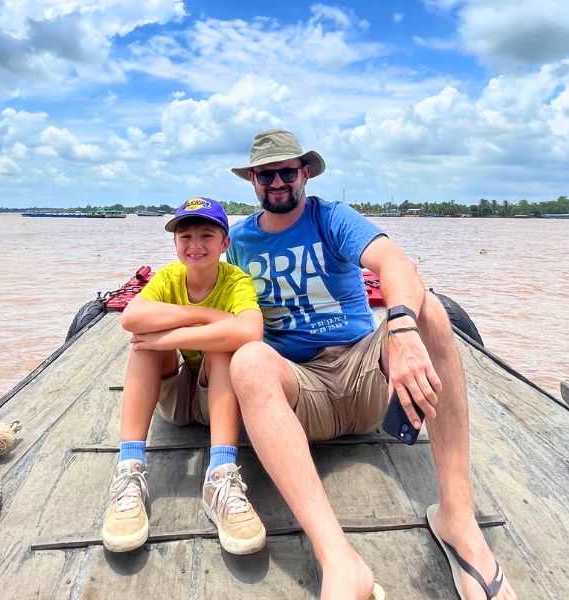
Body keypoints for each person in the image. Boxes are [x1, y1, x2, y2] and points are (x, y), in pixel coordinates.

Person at [226, 130, 516, 600]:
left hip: (365, 379)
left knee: (431, 311)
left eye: (286, 171)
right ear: (253, 180)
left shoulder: (331, 217)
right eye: (265, 173)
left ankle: (458, 522)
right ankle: (338, 558)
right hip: (301, 393)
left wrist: (399, 326)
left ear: (304, 174)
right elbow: (216, 299)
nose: (276, 181)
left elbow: (394, 262)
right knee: (249, 360)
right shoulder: (238, 241)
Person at [102, 196, 267, 556]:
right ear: (175, 244)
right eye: (185, 237)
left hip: (216, 401)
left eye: (207, 235)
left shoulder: (236, 280)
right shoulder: (169, 277)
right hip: (176, 402)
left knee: (222, 348)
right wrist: (209, 316)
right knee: (145, 349)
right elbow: (131, 318)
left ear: (225, 243)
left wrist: (173, 334)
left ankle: (221, 473)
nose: (195, 245)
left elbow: (250, 331)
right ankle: (130, 469)